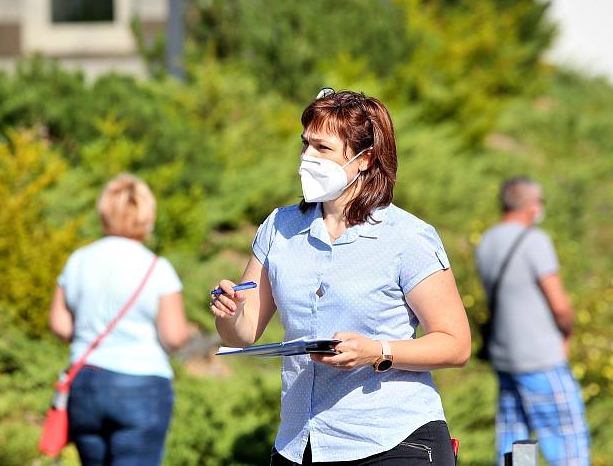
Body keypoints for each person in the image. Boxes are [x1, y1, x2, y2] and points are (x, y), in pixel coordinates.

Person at [210, 89, 471, 465]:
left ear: (365, 159)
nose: (306, 158)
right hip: (300, 444)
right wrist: (230, 313)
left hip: (392, 442)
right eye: (304, 145)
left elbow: (456, 344)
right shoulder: (279, 227)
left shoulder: (407, 236)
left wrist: (376, 351)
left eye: (322, 148)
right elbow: (242, 334)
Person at [49, 174, 191, 466]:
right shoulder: (157, 267)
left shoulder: (78, 259)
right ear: (146, 216)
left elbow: (60, 324)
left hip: (85, 383)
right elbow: (175, 336)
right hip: (140, 385)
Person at [475, 177, 589, 465]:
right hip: (541, 357)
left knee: (515, 446)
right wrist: (567, 334)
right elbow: (559, 305)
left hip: (505, 358)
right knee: (567, 444)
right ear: (531, 206)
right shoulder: (535, 240)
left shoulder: (487, 241)